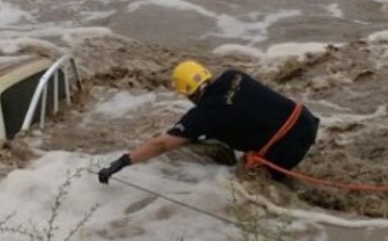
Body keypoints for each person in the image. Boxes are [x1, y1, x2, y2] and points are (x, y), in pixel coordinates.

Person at [97, 60, 319, 184]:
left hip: (285, 149)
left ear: (187, 93)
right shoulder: (233, 76)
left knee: (249, 189)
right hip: (306, 121)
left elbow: (162, 144)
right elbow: (241, 108)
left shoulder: (203, 116)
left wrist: (122, 162)